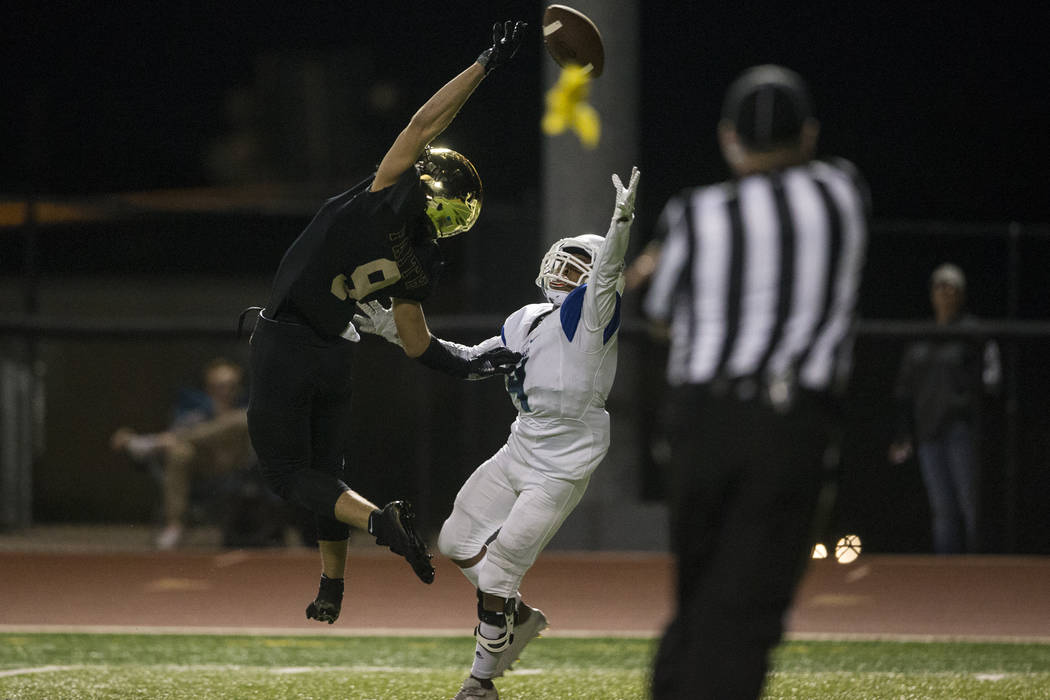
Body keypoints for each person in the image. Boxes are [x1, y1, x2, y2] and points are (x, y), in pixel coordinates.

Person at [244, 20, 527, 625]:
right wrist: (476, 361)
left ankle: (379, 520)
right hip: (336, 355)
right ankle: (332, 587)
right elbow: (420, 347)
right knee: (327, 478)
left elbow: (426, 120)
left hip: (287, 341)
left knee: (288, 474)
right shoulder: (422, 265)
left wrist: (485, 63)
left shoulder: (386, 192)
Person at [355, 167, 640, 700]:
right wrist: (394, 331)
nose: (566, 265)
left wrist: (619, 227)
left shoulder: (591, 319)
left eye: (581, 261)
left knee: (499, 570)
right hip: (520, 445)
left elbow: (606, 277)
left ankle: (481, 681)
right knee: (455, 540)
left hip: (562, 462)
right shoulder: (527, 319)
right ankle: (521, 618)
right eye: (568, 256)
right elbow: (466, 361)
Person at [642, 65, 869, 699]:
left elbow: (659, 312)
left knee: (700, 602)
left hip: (700, 424)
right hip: (786, 426)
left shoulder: (696, 214)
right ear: (809, 137)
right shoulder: (842, 195)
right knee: (745, 617)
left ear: (728, 138)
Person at [888, 263, 1001, 554]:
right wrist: (903, 433)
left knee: (970, 503)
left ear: (961, 294)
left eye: (951, 287)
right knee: (942, 509)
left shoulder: (973, 331)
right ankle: (945, 574)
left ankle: (980, 568)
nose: (945, 293)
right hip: (928, 431)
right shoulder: (922, 337)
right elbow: (904, 387)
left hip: (962, 428)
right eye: (939, 286)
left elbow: (992, 378)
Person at [111, 357, 256, 550]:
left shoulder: (246, 405)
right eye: (219, 385)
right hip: (200, 468)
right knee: (180, 451)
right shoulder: (195, 410)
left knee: (242, 419)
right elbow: (176, 441)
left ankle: (151, 443)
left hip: (237, 467)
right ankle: (175, 526)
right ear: (209, 386)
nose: (226, 390)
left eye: (231, 385)